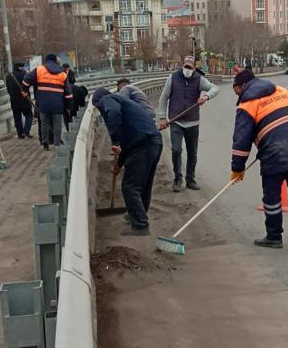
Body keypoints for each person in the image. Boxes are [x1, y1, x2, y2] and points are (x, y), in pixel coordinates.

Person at [229, 69, 288, 256]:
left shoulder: (247, 104)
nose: (237, 96)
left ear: (244, 86)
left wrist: (237, 168)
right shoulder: (282, 91)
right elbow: (287, 118)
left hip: (275, 153)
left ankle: (274, 237)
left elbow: (241, 140)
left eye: (236, 91)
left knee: (271, 198)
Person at [92, 88, 163, 236]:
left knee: (130, 187)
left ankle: (140, 225)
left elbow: (112, 113)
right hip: (153, 142)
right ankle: (137, 215)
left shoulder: (109, 100)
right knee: (143, 185)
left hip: (143, 145)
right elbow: (126, 145)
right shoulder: (125, 105)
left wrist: (115, 139)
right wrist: (119, 164)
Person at [157, 55, 219, 192]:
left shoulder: (199, 79)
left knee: (192, 153)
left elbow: (215, 88)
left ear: (194, 68)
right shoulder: (172, 78)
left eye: (190, 67)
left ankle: (190, 180)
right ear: (182, 65)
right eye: (186, 66)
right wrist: (162, 117)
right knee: (176, 150)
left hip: (193, 122)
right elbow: (163, 98)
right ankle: (177, 179)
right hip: (176, 122)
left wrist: (206, 96)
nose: (187, 69)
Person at [23, 54, 73, 150]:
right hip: (58, 104)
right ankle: (57, 143)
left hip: (43, 103)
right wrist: (68, 106)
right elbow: (68, 93)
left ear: (46, 61)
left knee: (44, 123)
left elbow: (26, 80)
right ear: (56, 61)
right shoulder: (62, 73)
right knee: (57, 124)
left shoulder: (39, 70)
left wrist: (24, 89)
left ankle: (45, 142)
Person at [6, 62, 33, 139]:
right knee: (29, 115)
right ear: (21, 67)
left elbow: (8, 88)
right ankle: (26, 131)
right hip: (24, 98)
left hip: (14, 100)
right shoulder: (25, 75)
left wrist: (12, 95)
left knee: (17, 117)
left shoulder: (9, 76)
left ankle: (20, 134)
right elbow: (29, 84)